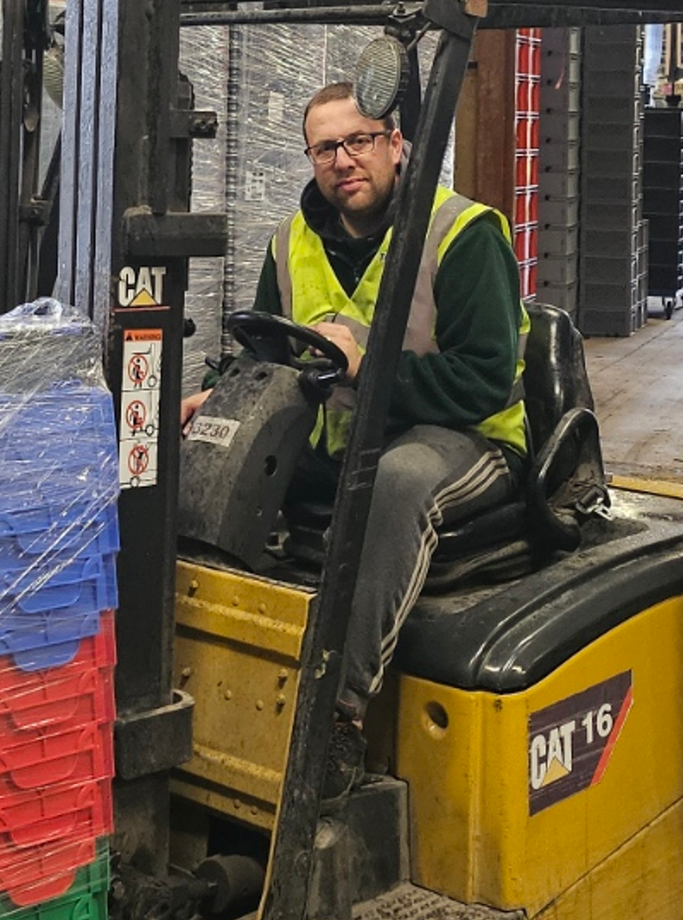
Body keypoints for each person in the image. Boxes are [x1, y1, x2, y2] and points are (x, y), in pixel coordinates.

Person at [181, 81, 528, 804]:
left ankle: (339, 715)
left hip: (465, 438)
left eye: (359, 140)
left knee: (393, 483)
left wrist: (368, 369)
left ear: (395, 144)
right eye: (326, 148)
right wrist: (221, 398)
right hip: (344, 440)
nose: (344, 159)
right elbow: (268, 356)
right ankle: (199, 672)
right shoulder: (290, 241)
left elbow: (485, 382)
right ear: (311, 159)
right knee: (210, 448)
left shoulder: (462, 233)